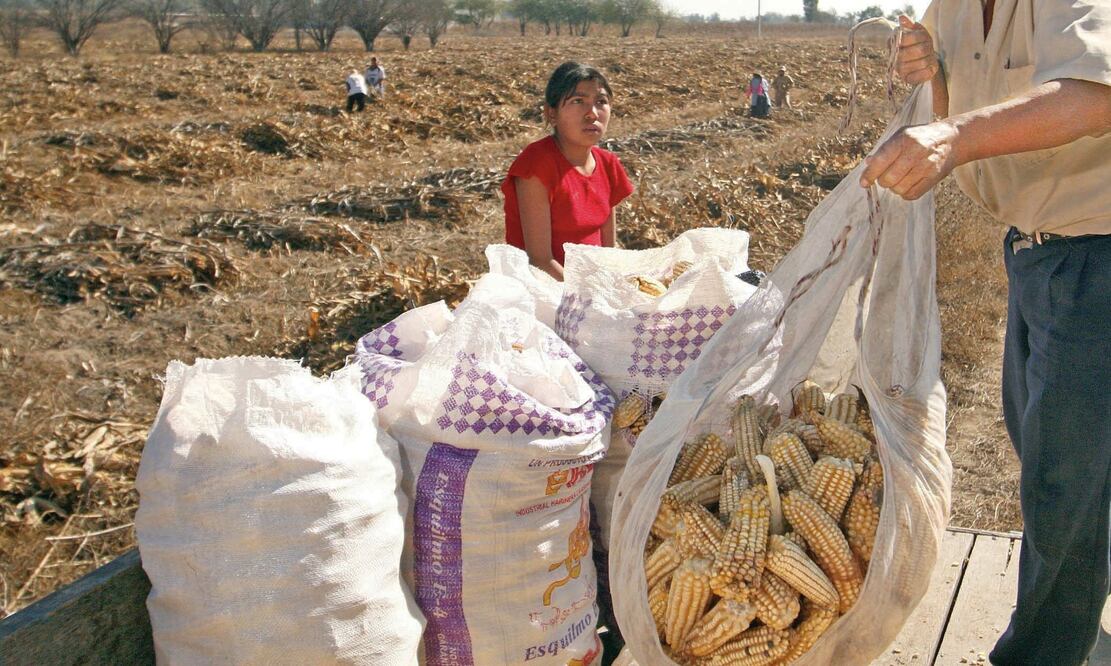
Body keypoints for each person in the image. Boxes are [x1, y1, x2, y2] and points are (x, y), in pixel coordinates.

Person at [861, 7, 1111, 665]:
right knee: (1050, 457)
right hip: (1035, 255)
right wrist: (924, 77)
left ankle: (1042, 652)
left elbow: (1094, 97)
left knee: (1062, 488)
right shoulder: (949, 8)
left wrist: (955, 135)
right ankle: (1086, 615)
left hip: (1096, 254)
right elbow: (944, 107)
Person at [501, 61, 634, 281]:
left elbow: (608, 250)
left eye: (601, 102)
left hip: (593, 286)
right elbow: (540, 261)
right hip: (544, 288)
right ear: (551, 113)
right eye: (578, 101)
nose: (592, 114)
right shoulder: (537, 165)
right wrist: (588, 296)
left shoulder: (608, 164)